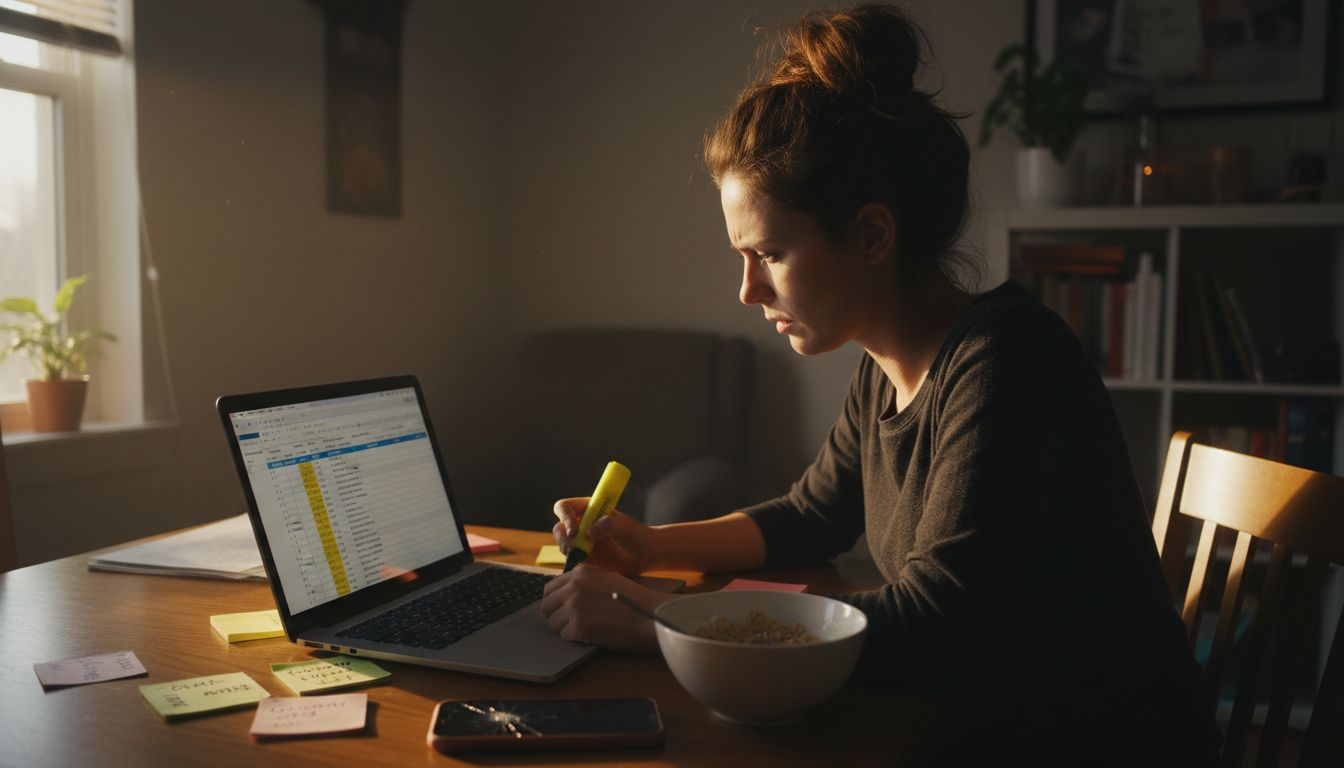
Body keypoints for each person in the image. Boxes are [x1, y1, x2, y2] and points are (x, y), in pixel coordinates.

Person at [540, 5, 1218, 763]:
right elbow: (812, 515)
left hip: (1093, 742)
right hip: (975, 716)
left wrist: (661, 622)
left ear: (870, 235)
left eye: (768, 254)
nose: (747, 291)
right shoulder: (884, 367)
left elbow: (934, 626)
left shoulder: (1007, 363)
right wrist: (648, 545)